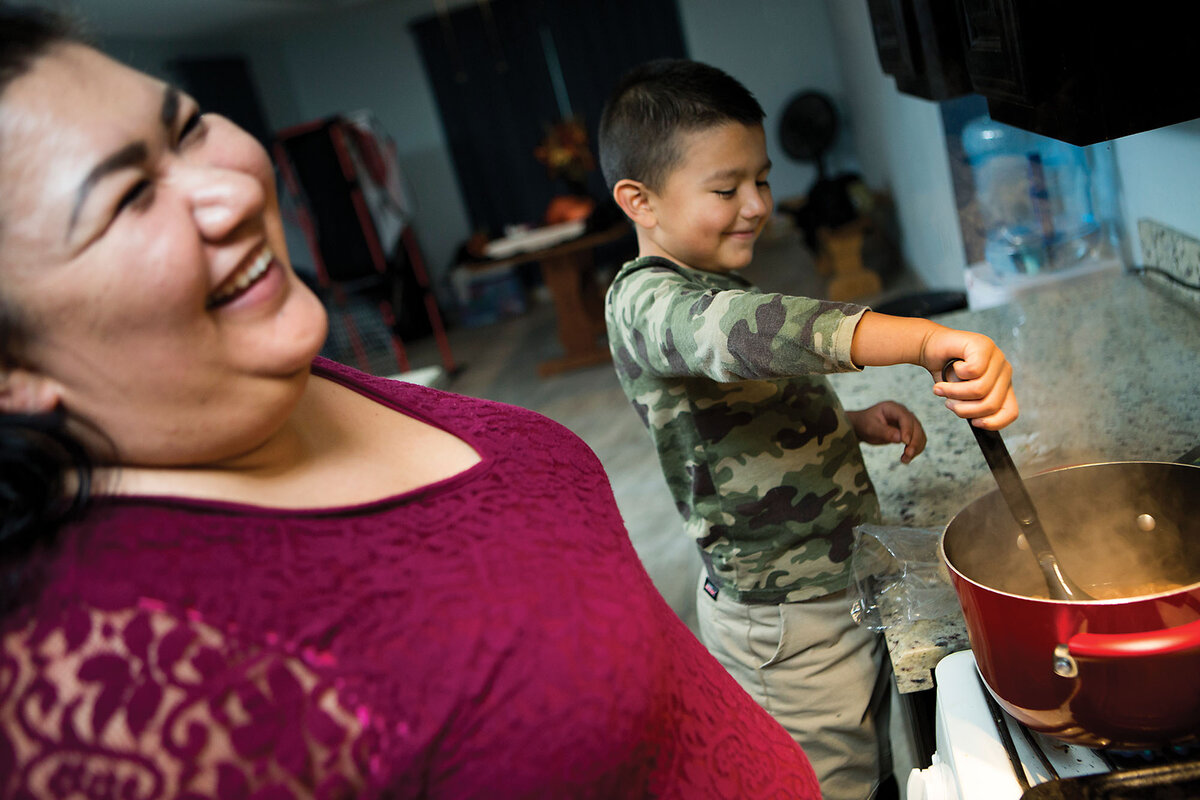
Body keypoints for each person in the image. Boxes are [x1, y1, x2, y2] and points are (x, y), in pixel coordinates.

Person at [0, 10, 824, 798]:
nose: (232, 192)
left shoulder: (287, 380)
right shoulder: (99, 686)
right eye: (124, 198)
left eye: (185, 129)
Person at [598, 59, 1019, 800]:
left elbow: (733, 412)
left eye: (761, 179)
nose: (757, 204)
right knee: (825, 785)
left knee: (869, 759)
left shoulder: (710, 273)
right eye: (726, 190)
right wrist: (919, 340)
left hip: (835, 578)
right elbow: (740, 338)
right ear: (641, 201)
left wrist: (846, 423)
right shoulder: (648, 302)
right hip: (782, 622)